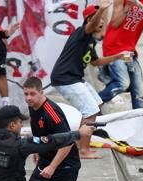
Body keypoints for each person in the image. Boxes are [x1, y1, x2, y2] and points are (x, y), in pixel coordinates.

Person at [50, 1, 124, 160]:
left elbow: (96, 62)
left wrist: (117, 57)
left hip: (75, 79)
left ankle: (79, 141)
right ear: (89, 21)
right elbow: (92, 23)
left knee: (96, 104)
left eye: (103, 20)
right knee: (89, 111)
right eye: (98, 19)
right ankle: (84, 150)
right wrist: (102, 10)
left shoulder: (90, 41)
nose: (102, 22)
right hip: (65, 78)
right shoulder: (81, 33)